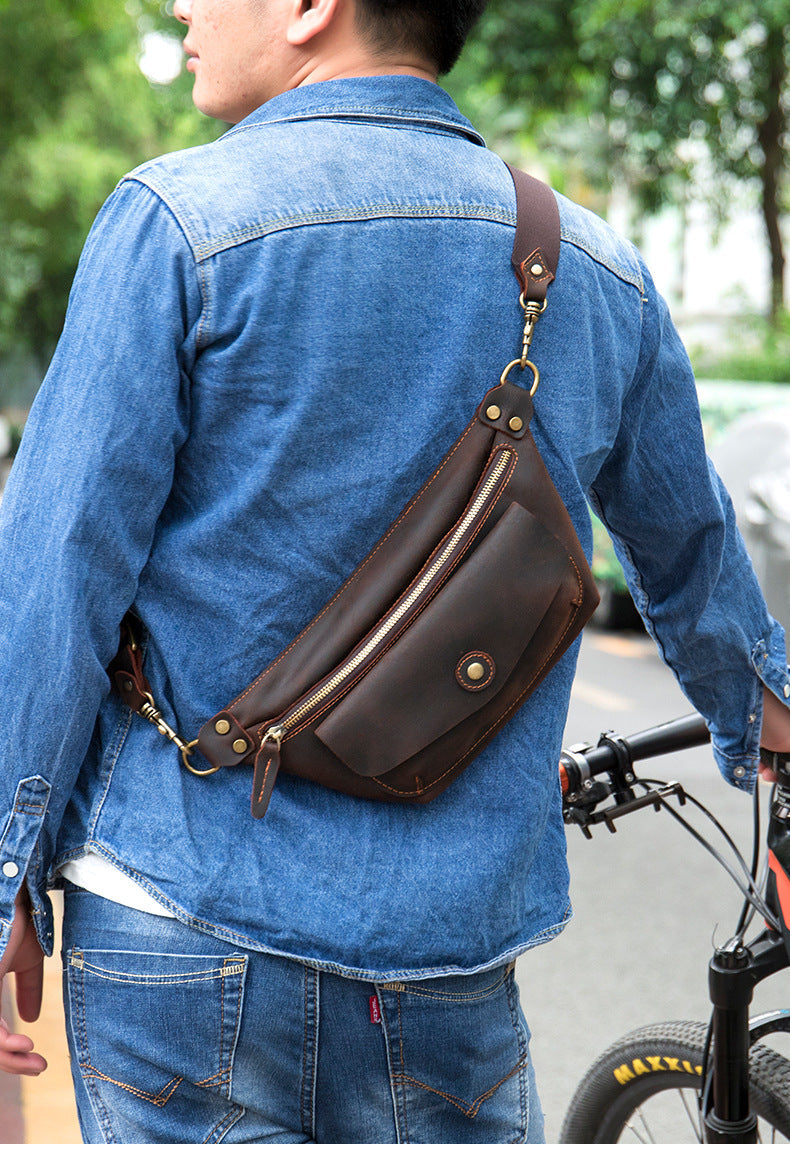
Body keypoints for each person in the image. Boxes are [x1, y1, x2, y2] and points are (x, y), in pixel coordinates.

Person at [1, 0, 790, 1145]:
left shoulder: (178, 223)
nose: (182, 8)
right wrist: (766, 733)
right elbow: (695, 560)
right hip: (448, 957)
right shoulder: (597, 269)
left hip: (179, 913)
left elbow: (53, 580)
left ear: (311, 8)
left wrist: (10, 872)